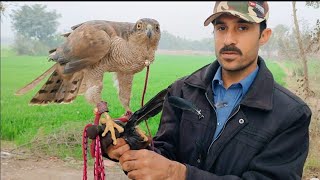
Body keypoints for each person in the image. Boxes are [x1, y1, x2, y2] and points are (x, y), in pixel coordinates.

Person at [104, 1, 312, 179]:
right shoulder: (182, 91)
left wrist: (180, 175)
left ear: (264, 35)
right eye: (221, 28)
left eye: (242, 28)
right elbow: (165, 154)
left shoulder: (290, 114)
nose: (229, 39)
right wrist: (129, 146)